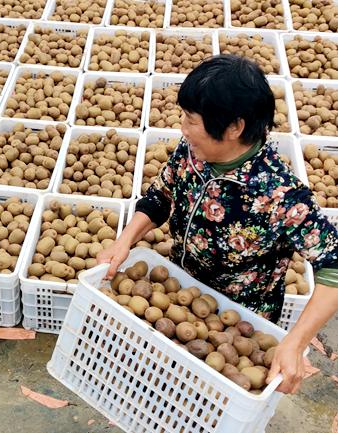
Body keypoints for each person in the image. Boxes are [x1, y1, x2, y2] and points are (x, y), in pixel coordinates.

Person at [97, 54, 338, 394]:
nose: (183, 129)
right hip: (181, 293)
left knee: (214, 395)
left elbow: (334, 268)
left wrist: (296, 343)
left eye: (191, 121)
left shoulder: (280, 194)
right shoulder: (192, 151)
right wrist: (124, 241)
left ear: (234, 127)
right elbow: (160, 196)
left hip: (238, 321)